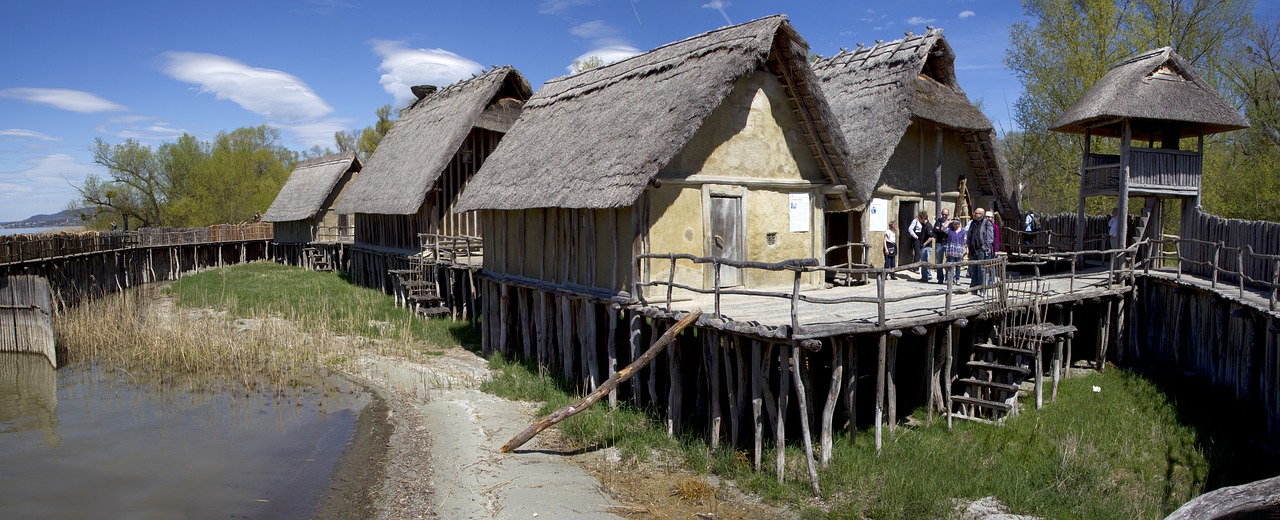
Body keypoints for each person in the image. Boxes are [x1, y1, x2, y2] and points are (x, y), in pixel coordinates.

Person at [967, 207, 995, 294]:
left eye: (976, 213)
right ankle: (974, 288)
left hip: (981, 249)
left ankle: (983, 288)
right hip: (973, 249)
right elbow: (969, 234)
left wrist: (985, 247)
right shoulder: (973, 223)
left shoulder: (987, 223)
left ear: (981, 215)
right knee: (973, 269)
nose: (974, 214)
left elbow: (990, 237)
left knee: (981, 269)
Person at [908, 210, 935, 282]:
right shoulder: (923, 225)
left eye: (920, 218)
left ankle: (925, 277)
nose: (919, 220)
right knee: (924, 261)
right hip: (923, 245)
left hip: (927, 246)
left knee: (924, 262)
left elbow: (931, 237)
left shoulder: (928, 226)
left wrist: (924, 244)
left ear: (923, 218)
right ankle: (927, 276)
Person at [945, 219, 967, 284]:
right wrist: (949, 222)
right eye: (954, 224)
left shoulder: (963, 231)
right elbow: (943, 228)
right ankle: (949, 279)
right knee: (950, 265)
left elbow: (965, 240)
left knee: (958, 266)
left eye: (957, 224)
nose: (956, 225)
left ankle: (957, 279)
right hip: (951, 250)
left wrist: (966, 249)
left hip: (959, 251)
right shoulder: (950, 230)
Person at [933, 208, 951, 282]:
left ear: (948, 215)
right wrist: (942, 230)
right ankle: (940, 278)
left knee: (948, 261)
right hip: (939, 243)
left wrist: (941, 229)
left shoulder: (950, 222)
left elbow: (950, 232)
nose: (944, 216)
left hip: (947, 243)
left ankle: (948, 278)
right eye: (943, 214)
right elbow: (936, 230)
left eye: (945, 214)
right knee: (939, 261)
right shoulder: (938, 221)